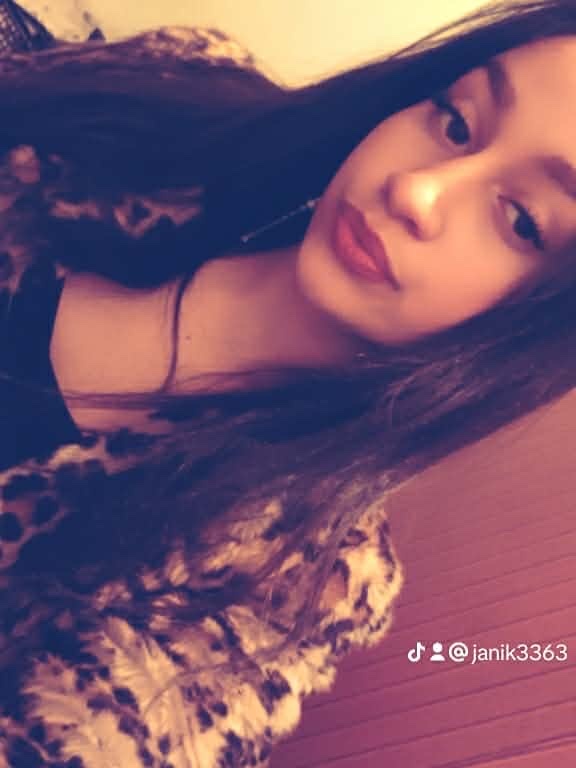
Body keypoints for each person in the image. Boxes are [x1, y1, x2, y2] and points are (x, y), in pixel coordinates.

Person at [1, 0, 576, 765]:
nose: (418, 191)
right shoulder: (190, 95)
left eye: (523, 222)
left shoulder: (289, 578)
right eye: (456, 121)